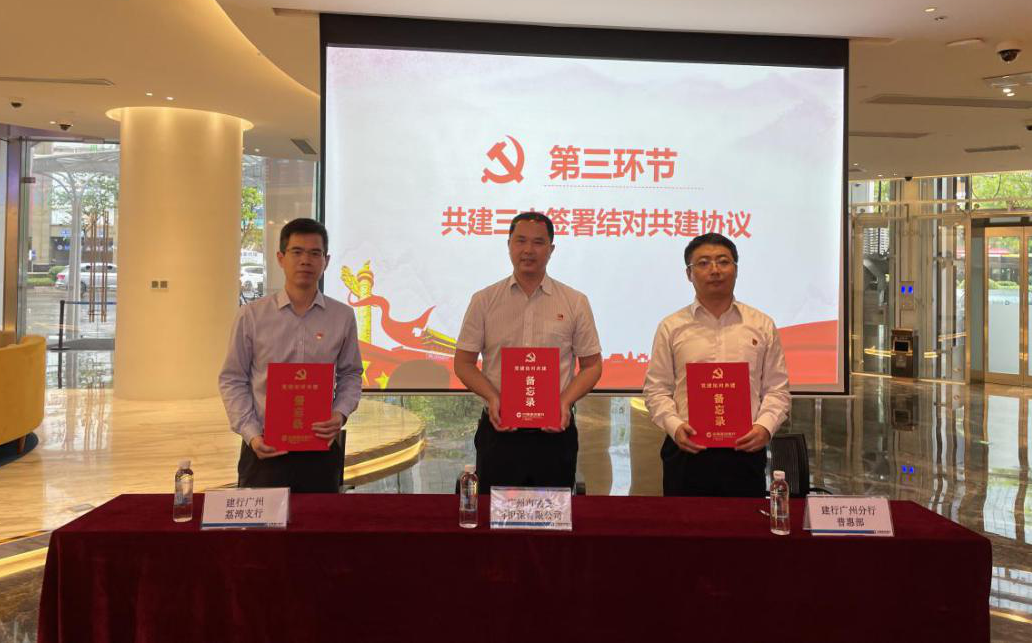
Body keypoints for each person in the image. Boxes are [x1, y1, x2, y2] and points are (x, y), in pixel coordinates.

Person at [454, 211, 602, 492]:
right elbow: (463, 363)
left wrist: (564, 401)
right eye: (520, 241)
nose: (528, 250)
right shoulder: (484, 300)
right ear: (509, 245)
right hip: (499, 432)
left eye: (538, 242)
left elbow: (592, 365)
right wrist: (493, 397)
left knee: (553, 513)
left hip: (555, 434)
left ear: (551, 249)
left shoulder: (575, 302)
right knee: (496, 513)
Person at [219, 218, 363, 493]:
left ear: (326, 261)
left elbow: (351, 374)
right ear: (280, 258)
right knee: (262, 522)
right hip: (263, 448)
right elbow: (232, 379)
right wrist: (251, 434)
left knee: (319, 519)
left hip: (321, 448)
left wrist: (340, 413)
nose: (305, 260)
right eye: (297, 252)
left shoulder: (342, 316)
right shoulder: (252, 316)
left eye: (315, 253)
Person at [643, 232, 790, 497]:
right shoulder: (671, 327)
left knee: (742, 522)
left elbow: (776, 389)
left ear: (736, 269)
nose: (714, 270)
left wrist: (765, 427)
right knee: (684, 522)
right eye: (703, 263)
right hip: (687, 448)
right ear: (689, 274)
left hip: (745, 450)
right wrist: (674, 426)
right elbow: (657, 390)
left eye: (723, 261)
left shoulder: (761, 325)